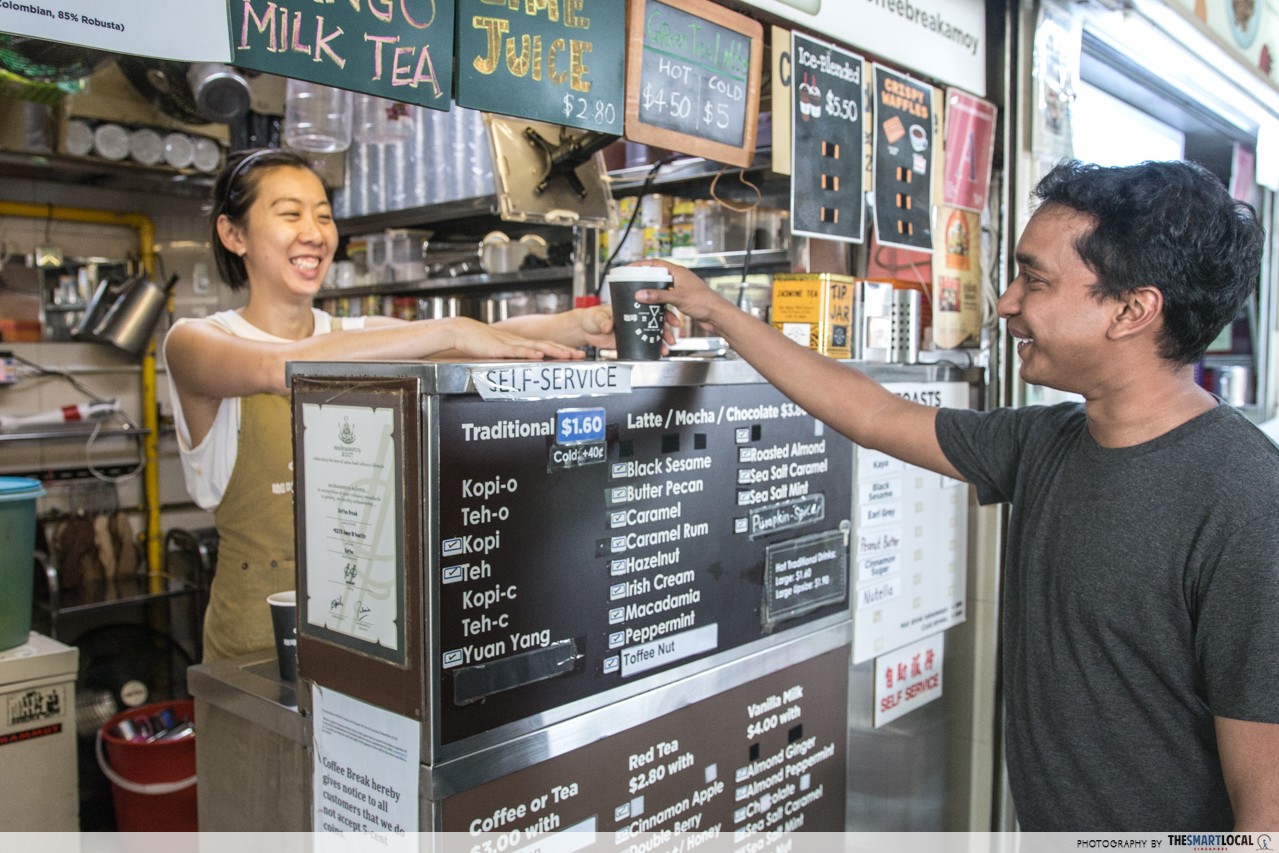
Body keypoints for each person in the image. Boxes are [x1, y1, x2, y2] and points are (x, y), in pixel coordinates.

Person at [635, 160, 1279, 830]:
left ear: (1131, 310)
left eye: (1035, 280)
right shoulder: (1050, 441)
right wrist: (716, 311)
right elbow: (874, 415)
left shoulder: (1246, 503)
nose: (1006, 304)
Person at [165, 148, 621, 663]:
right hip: (254, 643)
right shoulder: (194, 342)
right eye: (290, 214)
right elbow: (280, 368)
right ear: (234, 234)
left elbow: (475, 339)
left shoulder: (354, 335)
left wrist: (575, 325)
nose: (314, 233)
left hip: (361, 627)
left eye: (324, 216)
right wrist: (448, 331)